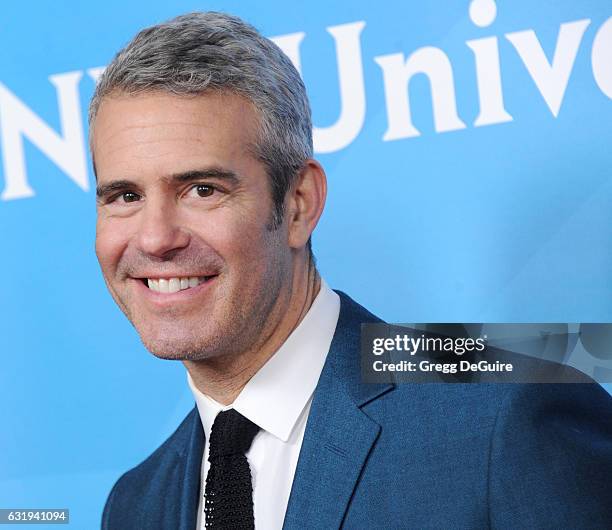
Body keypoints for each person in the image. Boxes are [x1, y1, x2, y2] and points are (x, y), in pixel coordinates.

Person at [91, 11, 612, 530]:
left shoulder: (511, 409)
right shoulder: (137, 503)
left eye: (202, 190)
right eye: (124, 196)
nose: (156, 238)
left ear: (299, 204)